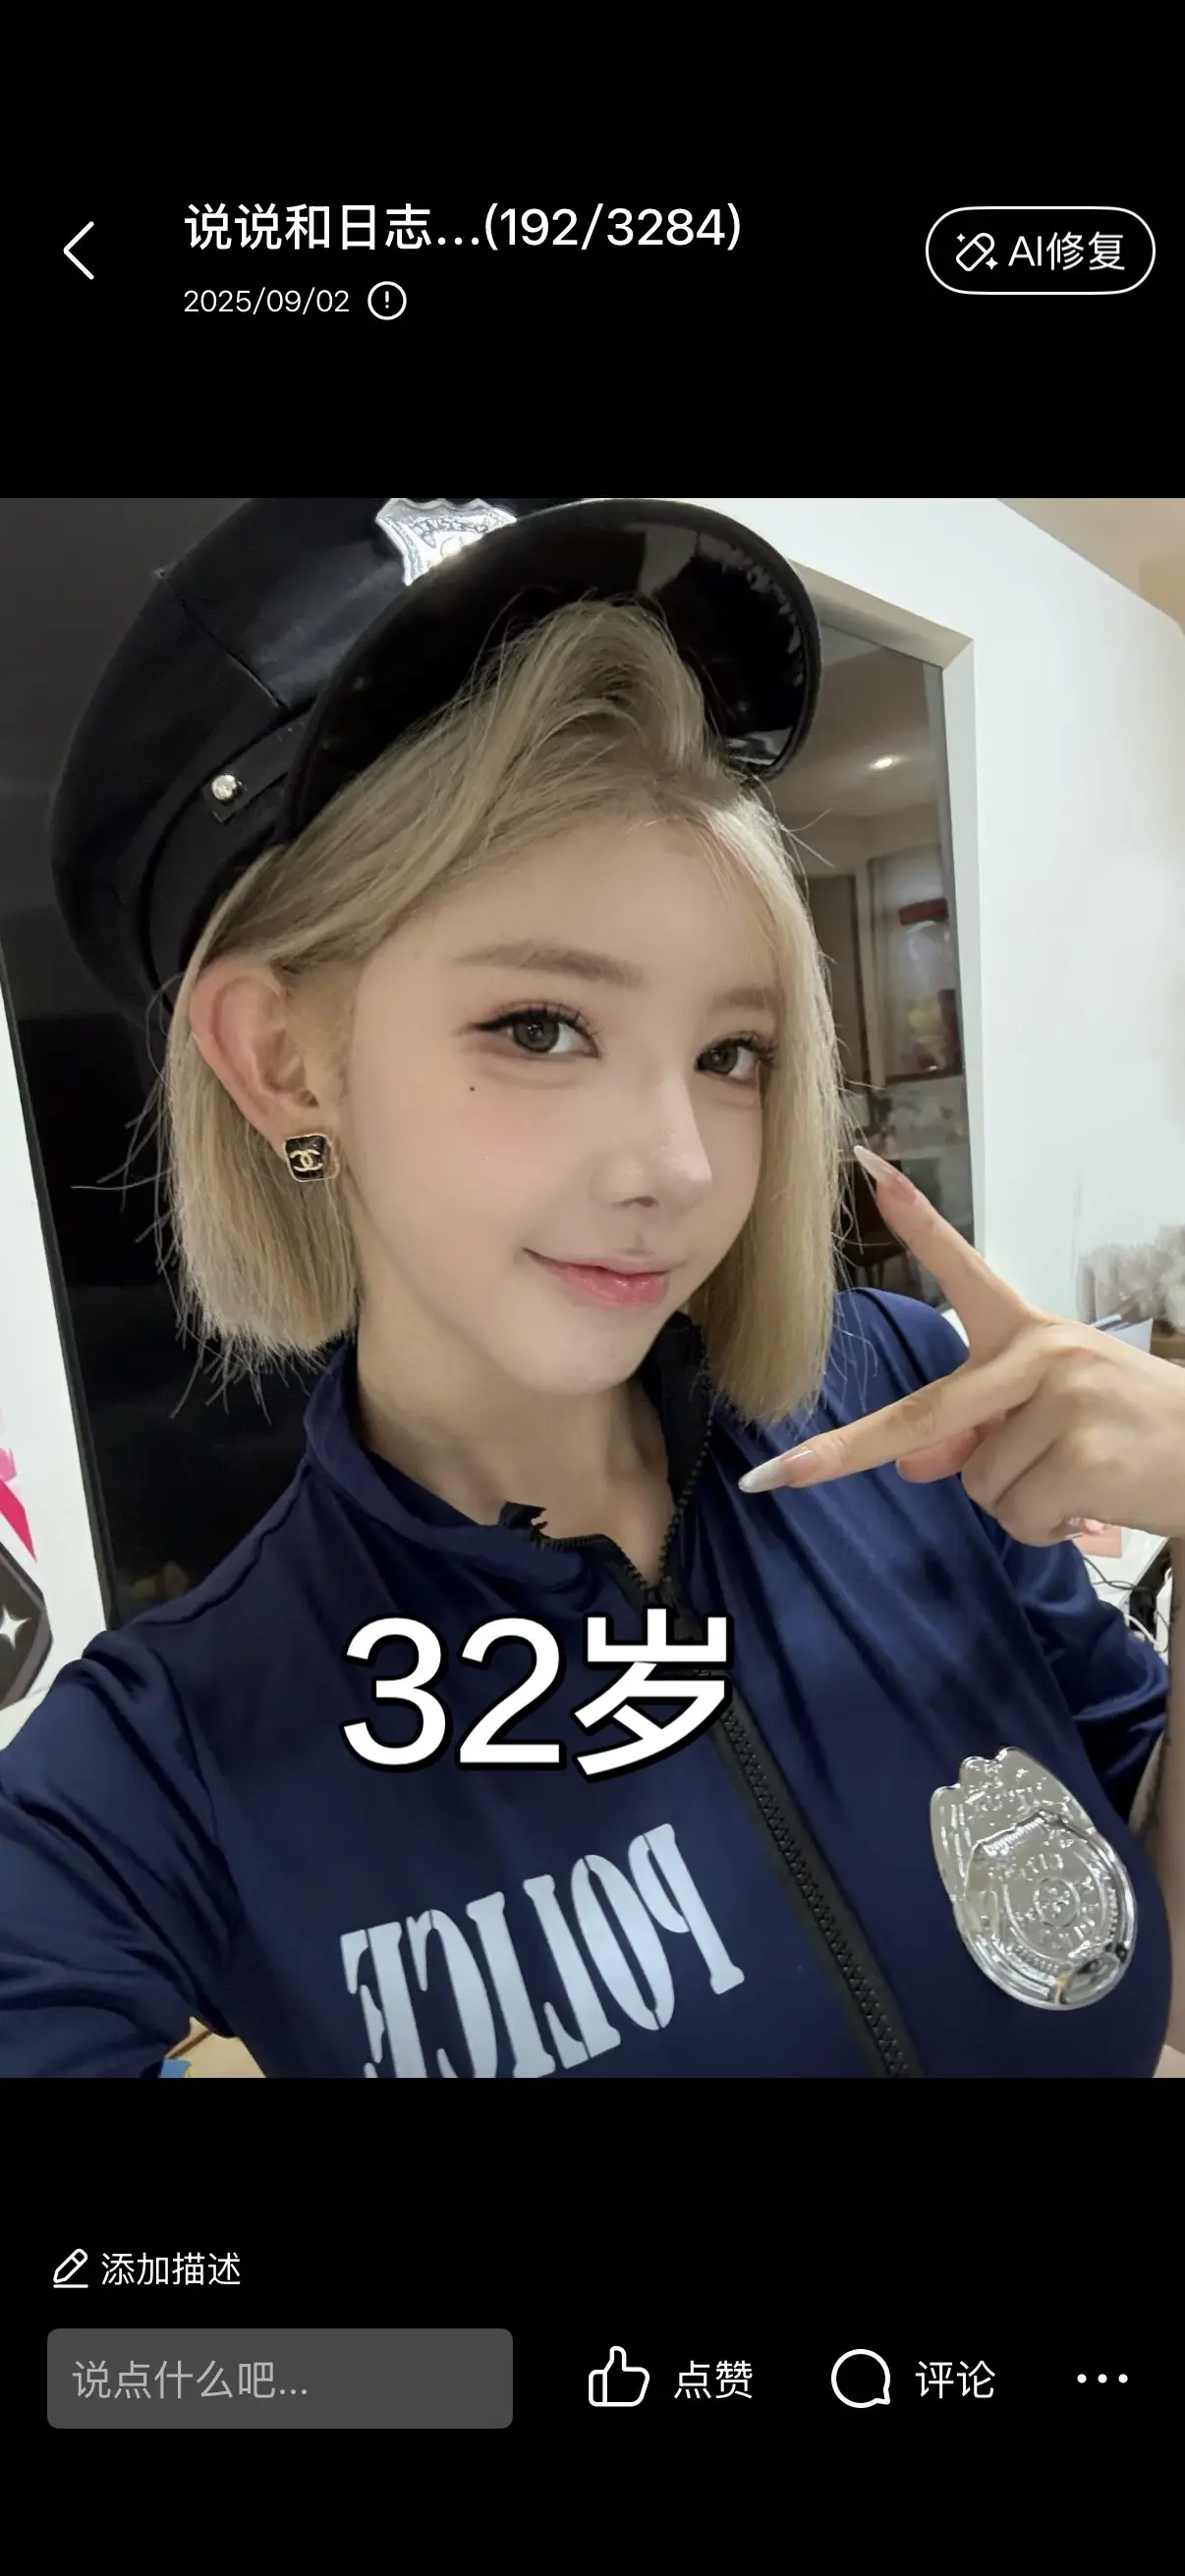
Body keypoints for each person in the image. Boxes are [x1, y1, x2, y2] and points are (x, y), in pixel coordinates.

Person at [0, 493, 1182, 2080]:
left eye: (730, 1051)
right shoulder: (167, 1753)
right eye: (542, 1026)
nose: (682, 1166)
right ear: (282, 1059)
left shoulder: (916, 1410)